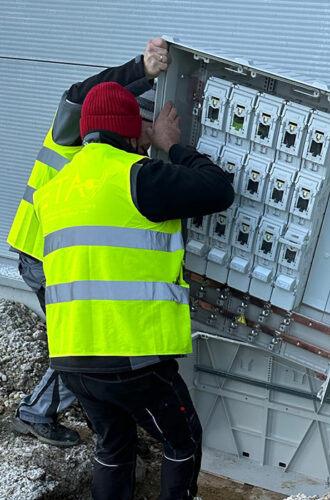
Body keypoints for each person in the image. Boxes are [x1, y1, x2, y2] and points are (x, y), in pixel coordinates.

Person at [33, 76, 234, 499]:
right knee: (182, 440)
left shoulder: (53, 192)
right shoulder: (138, 176)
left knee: (113, 447)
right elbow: (219, 190)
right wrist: (169, 145)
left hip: (72, 358)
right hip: (130, 356)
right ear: (128, 131)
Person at [8, 38, 168, 447]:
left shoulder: (114, 155)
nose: (149, 140)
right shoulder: (73, 132)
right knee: (81, 346)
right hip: (43, 253)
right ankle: (35, 412)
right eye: (146, 129)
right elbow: (80, 95)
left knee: (83, 344)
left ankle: (104, 429)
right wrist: (141, 69)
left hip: (55, 254)